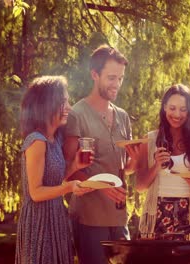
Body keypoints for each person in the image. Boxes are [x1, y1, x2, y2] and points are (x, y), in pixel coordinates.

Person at [62, 45, 138, 264]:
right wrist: (102, 188)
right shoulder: (77, 115)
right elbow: (68, 171)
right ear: (95, 75)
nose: (117, 84)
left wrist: (137, 159)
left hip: (119, 217)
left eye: (120, 78)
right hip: (89, 218)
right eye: (111, 77)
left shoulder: (123, 117)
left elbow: (125, 170)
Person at [15, 76, 93, 264]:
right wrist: (70, 187)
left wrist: (75, 166)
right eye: (63, 102)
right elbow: (36, 193)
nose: (69, 107)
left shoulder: (55, 139)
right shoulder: (37, 141)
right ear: (48, 105)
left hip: (56, 217)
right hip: (39, 222)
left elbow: (53, 182)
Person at [131, 84, 190, 240]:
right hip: (157, 212)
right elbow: (140, 187)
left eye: (183, 109)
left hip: (188, 214)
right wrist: (157, 166)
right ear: (164, 107)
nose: (177, 114)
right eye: (172, 108)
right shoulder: (151, 139)